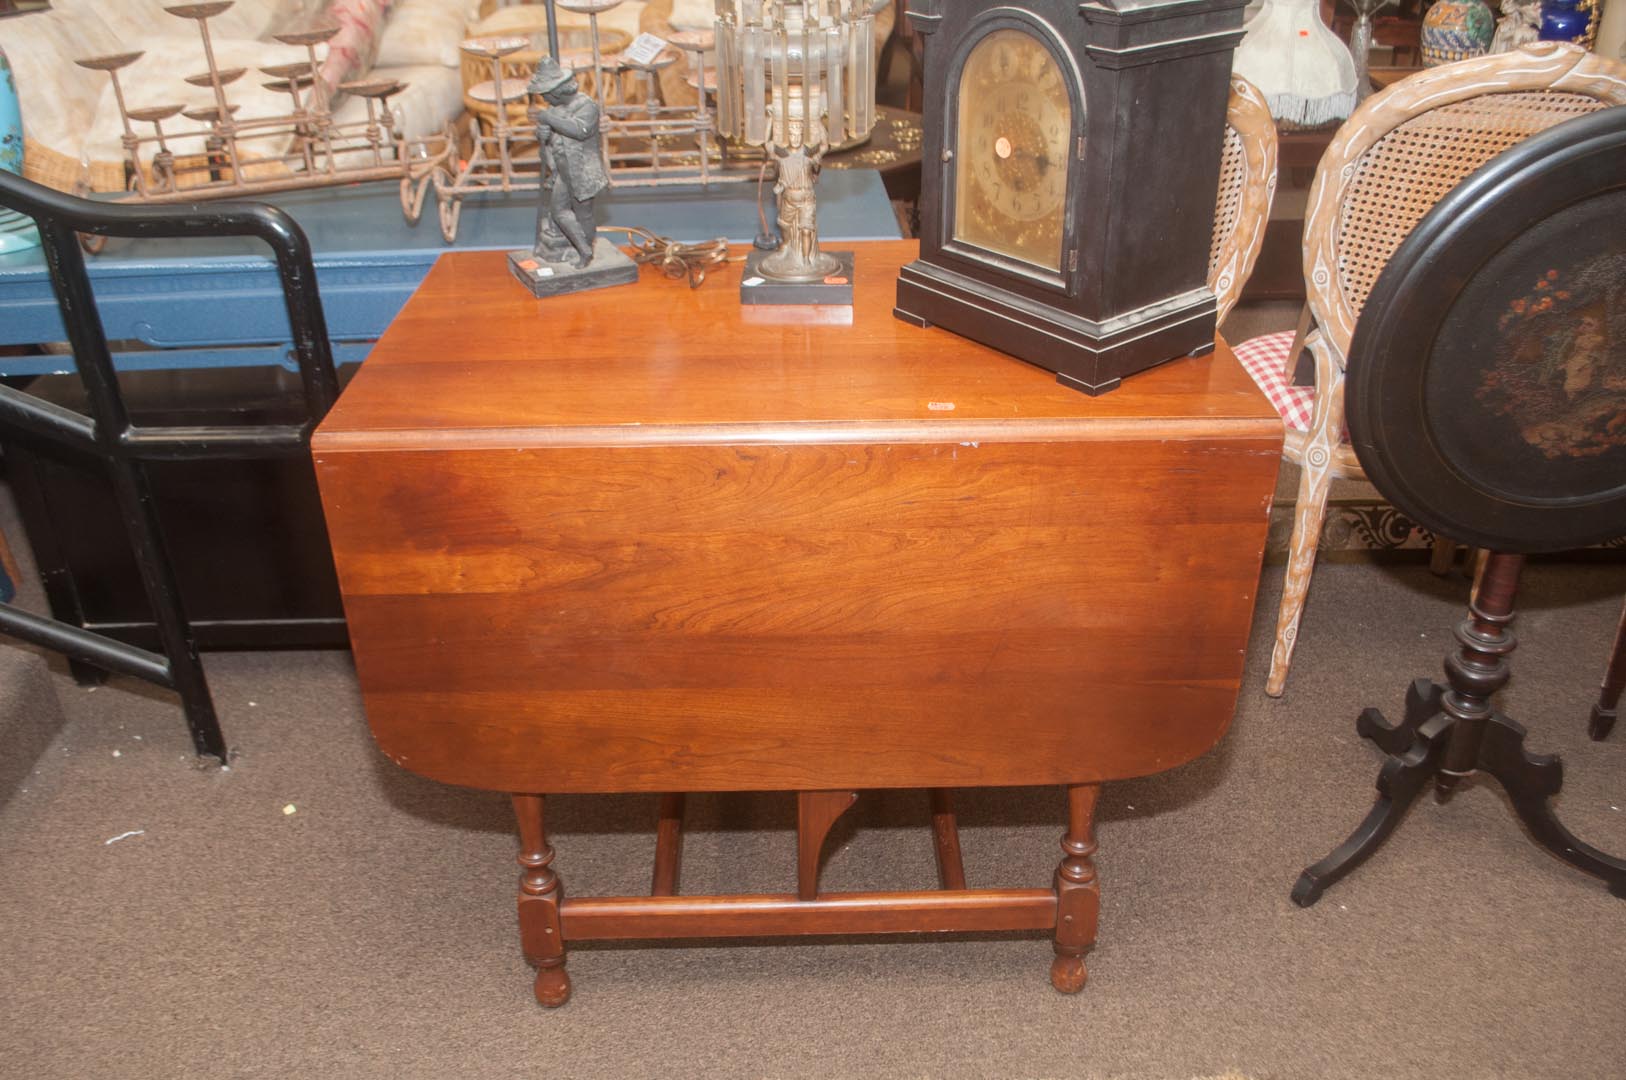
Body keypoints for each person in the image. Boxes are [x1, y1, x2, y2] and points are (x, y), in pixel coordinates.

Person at [527, 56, 609, 269]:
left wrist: (548, 120)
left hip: (583, 171)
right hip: (563, 171)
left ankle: (586, 250)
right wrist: (543, 137)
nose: (544, 99)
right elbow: (552, 145)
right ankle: (583, 247)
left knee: (584, 214)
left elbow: (579, 130)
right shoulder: (554, 110)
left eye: (546, 95)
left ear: (557, 91)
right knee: (559, 211)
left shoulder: (586, 105)